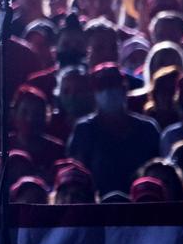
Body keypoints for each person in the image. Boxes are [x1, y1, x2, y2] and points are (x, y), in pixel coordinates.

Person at [67, 64, 161, 194]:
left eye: (114, 85)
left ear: (125, 88)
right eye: (103, 87)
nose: (109, 92)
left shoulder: (147, 129)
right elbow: (78, 176)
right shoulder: (84, 130)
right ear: (94, 92)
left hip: (142, 204)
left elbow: (159, 174)